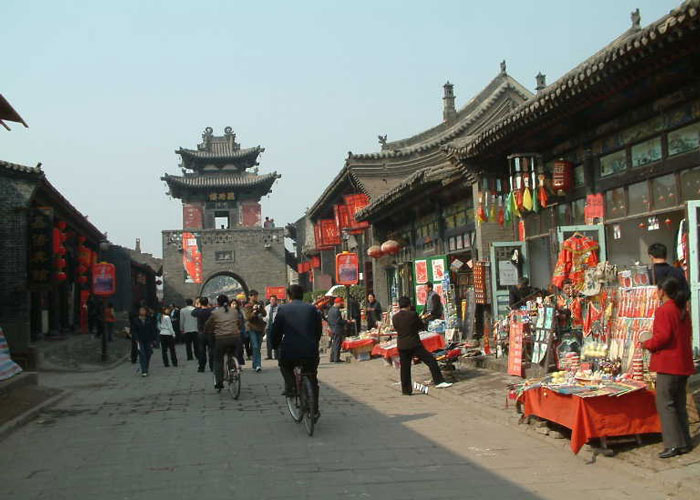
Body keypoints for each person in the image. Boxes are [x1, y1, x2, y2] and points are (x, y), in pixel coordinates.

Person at [642, 277, 695, 458]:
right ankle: (684, 441)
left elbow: (662, 337)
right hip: (682, 363)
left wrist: (647, 343)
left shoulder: (664, 310)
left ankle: (673, 444)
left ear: (662, 291)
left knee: (666, 404)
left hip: (668, 364)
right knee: (679, 403)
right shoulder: (682, 310)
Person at [270, 284, 322, 418]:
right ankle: (314, 411)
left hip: (290, 350)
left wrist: (275, 345)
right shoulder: (312, 309)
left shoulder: (283, 309)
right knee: (312, 377)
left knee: (284, 365)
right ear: (302, 295)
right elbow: (318, 330)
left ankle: (292, 386)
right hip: (310, 351)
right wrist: (314, 343)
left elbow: (275, 331)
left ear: (288, 296)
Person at [393, 296, 452, 395]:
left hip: (402, 345)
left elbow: (396, 328)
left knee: (405, 368)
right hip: (414, 344)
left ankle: (406, 390)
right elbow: (420, 326)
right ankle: (439, 381)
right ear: (408, 305)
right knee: (431, 360)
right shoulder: (412, 315)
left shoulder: (395, 317)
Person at [205, 294, 243, 391]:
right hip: (235, 338)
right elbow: (239, 323)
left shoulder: (215, 313)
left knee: (218, 359)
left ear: (218, 303)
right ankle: (234, 368)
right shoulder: (234, 311)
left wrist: (207, 331)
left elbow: (208, 325)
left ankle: (219, 382)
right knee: (233, 353)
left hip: (221, 339)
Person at [244, 289, 267, 372]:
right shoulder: (247, 306)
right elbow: (248, 318)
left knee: (258, 347)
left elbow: (264, 314)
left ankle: (255, 364)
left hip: (260, 328)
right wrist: (253, 311)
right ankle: (258, 365)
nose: (256, 297)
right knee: (255, 346)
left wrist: (260, 308)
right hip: (252, 328)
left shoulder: (259, 304)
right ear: (250, 296)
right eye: (254, 296)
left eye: (256, 296)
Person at [131, 306, 156, 376]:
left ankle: (146, 367)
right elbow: (134, 331)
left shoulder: (149, 319)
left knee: (148, 354)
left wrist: (154, 339)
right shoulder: (135, 320)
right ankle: (144, 370)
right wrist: (136, 339)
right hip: (139, 340)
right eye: (141, 310)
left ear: (146, 311)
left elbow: (152, 330)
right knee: (142, 354)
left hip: (148, 339)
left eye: (143, 310)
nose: (142, 312)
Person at [192, 297, 214, 373]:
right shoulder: (211, 311)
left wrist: (198, 306)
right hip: (211, 333)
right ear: (207, 303)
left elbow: (192, 313)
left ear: (200, 303)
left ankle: (201, 367)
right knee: (211, 351)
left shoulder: (198, 311)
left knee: (201, 351)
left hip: (201, 333)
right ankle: (212, 367)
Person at [327, 297, 350, 362]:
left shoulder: (330, 310)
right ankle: (336, 358)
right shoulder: (337, 310)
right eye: (340, 303)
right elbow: (338, 321)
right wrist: (346, 321)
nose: (341, 305)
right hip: (337, 329)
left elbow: (329, 320)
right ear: (337, 303)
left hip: (332, 328)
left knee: (334, 343)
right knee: (337, 344)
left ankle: (332, 358)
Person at [237, 293, 253, 360]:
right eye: (240, 300)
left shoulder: (249, 309)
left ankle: (251, 354)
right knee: (246, 343)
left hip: (250, 327)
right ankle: (248, 355)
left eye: (242, 300)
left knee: (252, 342)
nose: (242, 302)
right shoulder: (239, 310)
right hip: (244, 328)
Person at [265, 295, 280, 360]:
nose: (272, 301)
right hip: (268, 326)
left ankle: (277, 355)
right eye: (271, 300)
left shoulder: (279, 307)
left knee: (276, 341)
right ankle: (269, 355)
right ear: (269, 300)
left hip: (276, 326)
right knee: (268, 341)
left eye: (274, 300)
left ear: (276, 300)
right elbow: (264, 316)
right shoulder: (267, 307)